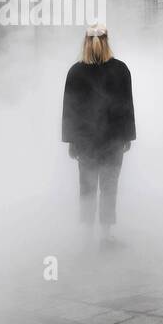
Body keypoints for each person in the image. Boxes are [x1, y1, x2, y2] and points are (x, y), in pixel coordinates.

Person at [62, 23, 136, 249]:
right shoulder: (121, 69)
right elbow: (126, 107)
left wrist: (71, 141)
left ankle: (86, 236)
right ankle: (105, 236)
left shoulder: (76, 71)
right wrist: (127, 137)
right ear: (107, 40)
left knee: (87, 186)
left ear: (86, 41)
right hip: (112, 140)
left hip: (85, 141)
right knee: (109, 185)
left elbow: (69, 110)